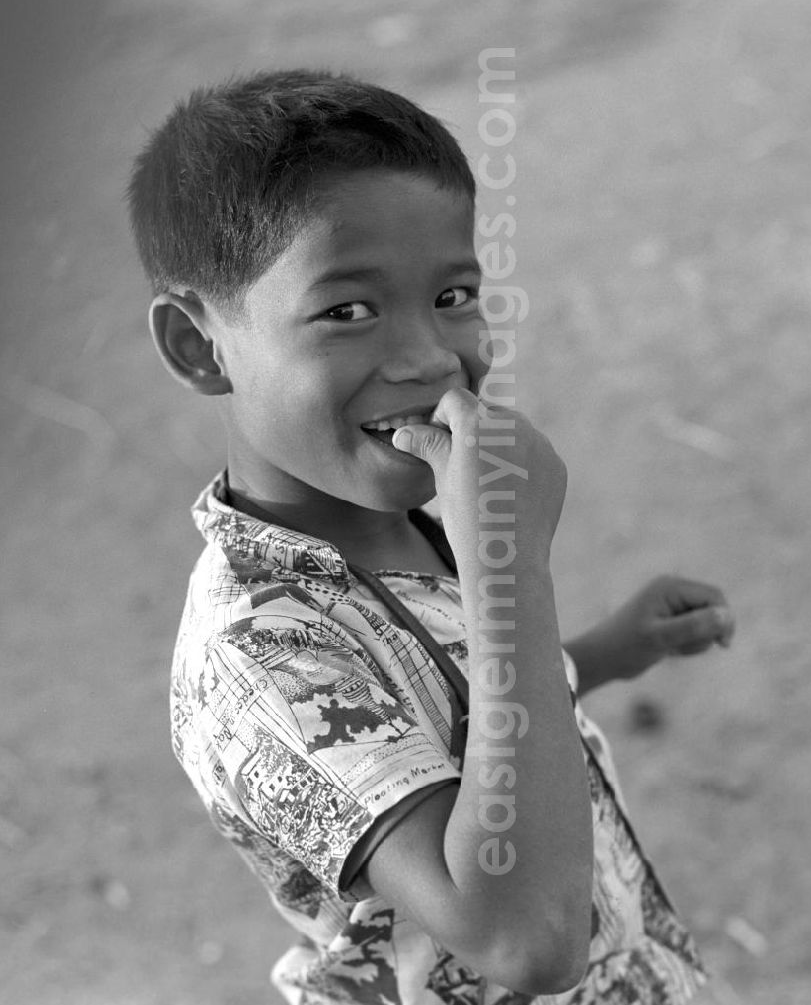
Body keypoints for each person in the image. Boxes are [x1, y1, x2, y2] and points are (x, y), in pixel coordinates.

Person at [128, 69, 736, 1005]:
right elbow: (526, 939)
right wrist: (508, 561)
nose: (431, 357)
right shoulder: (256, 660)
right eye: (346, 312)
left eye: (454, 294)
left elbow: (449, 714)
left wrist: (609, 650)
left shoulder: (395, 508)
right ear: (200, 346)